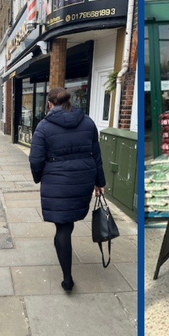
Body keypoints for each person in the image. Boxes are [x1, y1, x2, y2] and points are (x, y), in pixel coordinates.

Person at [29, 87, 106, 293]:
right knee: (67, 223)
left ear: (50, 104)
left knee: (62, 227)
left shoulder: (43, 127)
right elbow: (96, 155)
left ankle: (67, 278)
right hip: (83, 179)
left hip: (57, 180)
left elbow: (35, 159)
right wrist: (100, 181)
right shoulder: (88, 122)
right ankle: (67, 271)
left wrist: (39, 178)